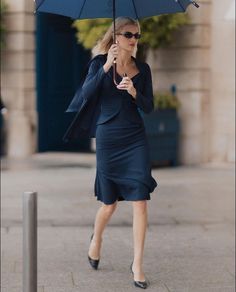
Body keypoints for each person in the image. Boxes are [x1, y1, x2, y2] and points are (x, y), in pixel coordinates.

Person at [66, 17, 158, 289]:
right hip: (109, 138)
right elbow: (85, 95)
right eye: (129, 34)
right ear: (116, 36)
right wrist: (107, 65)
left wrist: (133, 92)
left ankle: (137, 265)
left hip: (134, 137)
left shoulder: (143, 69)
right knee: (109, 204)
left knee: (140, 200)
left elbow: (149, 106)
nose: (133, 39)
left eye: (137, 36)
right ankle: (96, 239)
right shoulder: (98, 64)